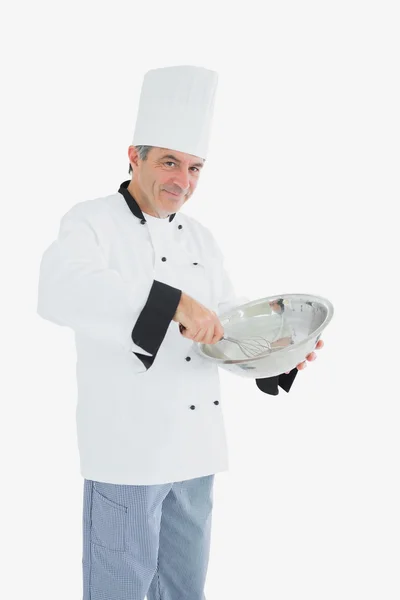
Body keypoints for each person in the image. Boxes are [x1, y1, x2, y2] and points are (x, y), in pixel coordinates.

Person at [37, 65, 323, 600]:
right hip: (128, 452)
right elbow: (61, 290)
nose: (183, 181)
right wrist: (170, 301)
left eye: (194, 168)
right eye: (169, 162)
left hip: (196, 452)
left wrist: (276, 354)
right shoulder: (91, 221)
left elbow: (225, 322)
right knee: (119, 589)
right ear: (134, 156)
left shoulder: (202, 238)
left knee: (185, 590)